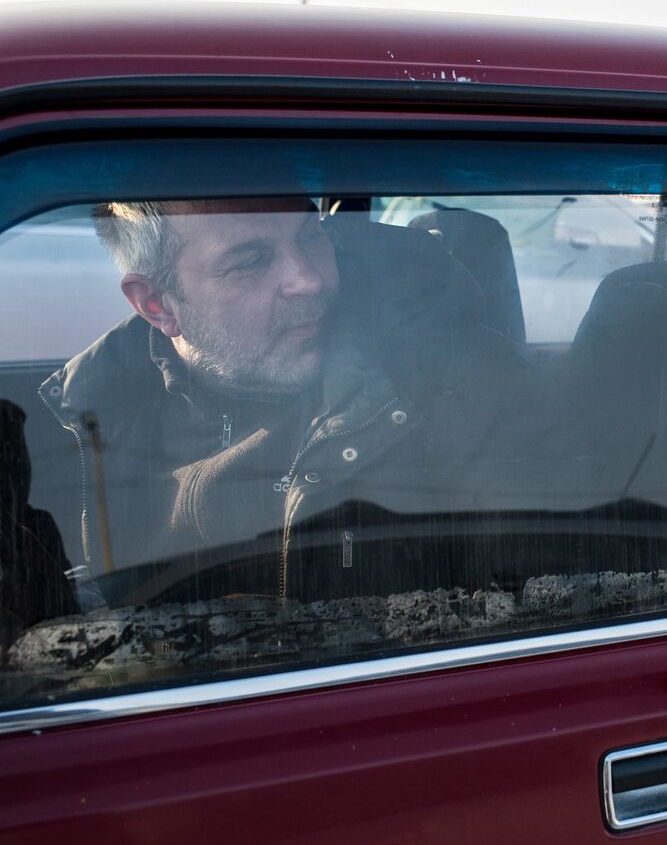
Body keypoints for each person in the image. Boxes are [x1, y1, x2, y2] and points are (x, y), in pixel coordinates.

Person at [36, 197, 541, 606]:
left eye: (310, 236)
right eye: (250, 261)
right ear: (158, 304)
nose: (310, 280)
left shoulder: (451, 393)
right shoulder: (85, 423)